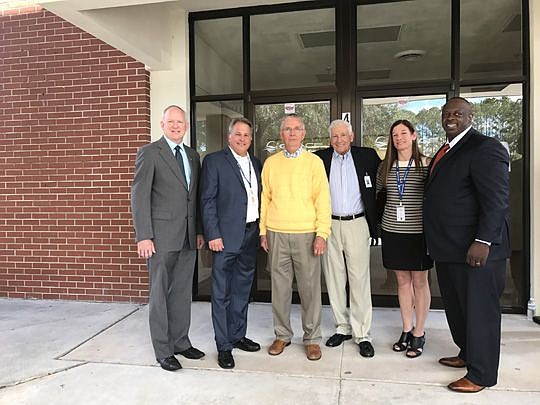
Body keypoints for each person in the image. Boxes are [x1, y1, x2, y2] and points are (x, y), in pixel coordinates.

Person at [424, 97, 510, 392]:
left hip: (476, 251)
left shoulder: (485, 148)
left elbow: (496, 202)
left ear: (470, 116)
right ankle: (467, 354)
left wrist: (483, 240)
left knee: (480, 312)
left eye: (458, 113)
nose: (451, 117)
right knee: (459, 309)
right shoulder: (448, 148)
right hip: (450, 249)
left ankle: (481, 374)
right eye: (447, 113)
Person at [131, 105, 205, 371]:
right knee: (160, 294)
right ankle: (163, 350)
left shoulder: (193, 155)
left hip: (187, 237)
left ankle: (181, 342)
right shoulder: (150, 153)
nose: (176, 126)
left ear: (186, 126)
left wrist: (198, 231)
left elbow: (194, 198)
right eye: (171, 122)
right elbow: (139, 196)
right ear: (162, 125)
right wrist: (144, 236)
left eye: (180, 122)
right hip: (160, 238)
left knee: (182, 293)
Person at [260, 113, 331, 361]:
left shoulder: (314, 163)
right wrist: (263, 230)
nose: (291, 133)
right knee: (279, 289)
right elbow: (265, 199)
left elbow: (323, 200)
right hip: (277, 233)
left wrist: (322, 233)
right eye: (287, 129)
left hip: (306, 234)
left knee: (310, 289)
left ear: (303, 133)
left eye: (296, 129)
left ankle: (312, 338)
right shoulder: (271, 163)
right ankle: (282, 335)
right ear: (281, 134)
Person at [200, 117, 262, 369]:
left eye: (247, 135)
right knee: (222, 292)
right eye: (238, 134)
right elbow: (207, 200)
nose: (242, 139)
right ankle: (224, 345)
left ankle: (238, 336)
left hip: (250, 235)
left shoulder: (256, 163)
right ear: (229, 137)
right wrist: (213, 234)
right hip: (224, 238)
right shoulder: (214, 161)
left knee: (242, 290)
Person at [314, 119, 380, 358]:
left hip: (357, 223)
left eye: (343, 135)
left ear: (351, 136)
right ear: (329, 139)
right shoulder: (320, 159)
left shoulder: (368, 156)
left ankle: (362, 333)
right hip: (329, 224)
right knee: (334, 277)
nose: (339, 140)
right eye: (334, 136)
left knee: (359, 278)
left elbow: (382, 182)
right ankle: (342, 327)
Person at [376, 119, 433, 359]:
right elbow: (380, 195)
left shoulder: (426, 164)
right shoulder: (384, 167)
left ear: (413, 136)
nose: (398, 138)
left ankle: (419, 332)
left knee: (420, 281)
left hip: (418, 232)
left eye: (403, 133)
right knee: (401, 281)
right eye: (394, 134)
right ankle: (406, 329)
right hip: (392, 231)